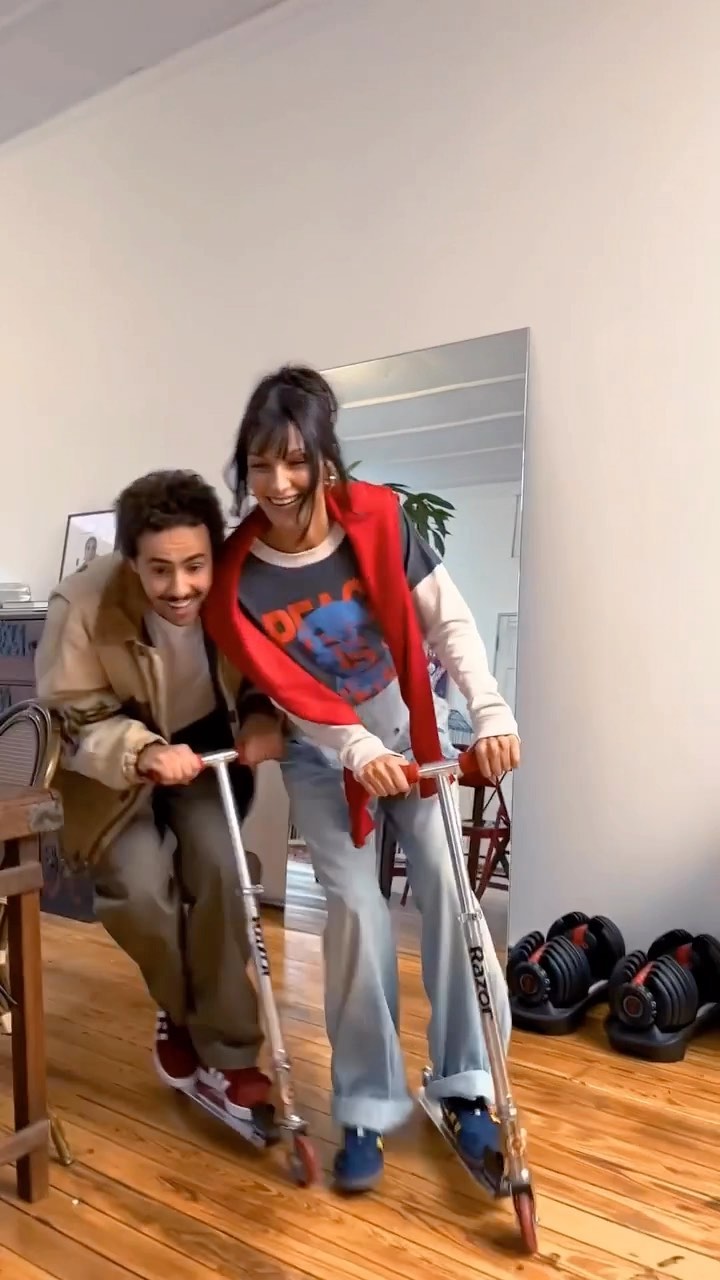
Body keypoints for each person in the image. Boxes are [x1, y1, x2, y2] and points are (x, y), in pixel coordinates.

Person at [203, 366, 522, 1193]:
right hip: (321, 749)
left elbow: (447, 622)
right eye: (260, 464)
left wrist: (490, 712)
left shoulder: (377, 517)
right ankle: (367, 1103)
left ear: (324, 460)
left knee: (449, 892)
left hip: (408, 726)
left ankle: (467, 1086)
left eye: (295, 461)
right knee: (353, 910)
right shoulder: (234, 579)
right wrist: (351, 748)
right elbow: (287, 690)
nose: (278, 484)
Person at [35, 470, 285, 1127]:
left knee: (223, 872)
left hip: (204, 748)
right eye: (160, 570)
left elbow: (265, 672)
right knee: (140, 891)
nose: (180, 589)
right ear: (131, 562)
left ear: (214, 554)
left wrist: (262, 716)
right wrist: (141, 750)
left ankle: (231, 1053)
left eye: (196, 566)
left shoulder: (242, 586)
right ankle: (180, 1010)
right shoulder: (81, 604)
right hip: (110, 760)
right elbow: (71, 716)